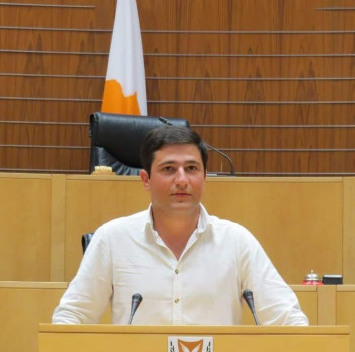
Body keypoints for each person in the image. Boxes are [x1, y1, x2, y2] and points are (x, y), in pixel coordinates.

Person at [52, 125, 308, 326]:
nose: (182, 180)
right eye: (169, 169)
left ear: (204, 177)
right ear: (146, 179)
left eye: (191, 168)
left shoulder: (237, 242)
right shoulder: (112, 239)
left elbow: (288, 319)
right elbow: (72, 317)